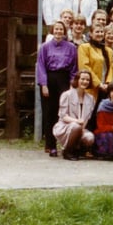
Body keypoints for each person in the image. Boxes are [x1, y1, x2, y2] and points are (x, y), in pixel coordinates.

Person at [37, 20, 78, 157]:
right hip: (49, 79)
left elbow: (74, 67)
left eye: (61, 29)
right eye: (56, 29)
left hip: (64, 79)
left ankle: (66, 143)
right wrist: (44, 85)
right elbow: (41, 66)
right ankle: (50, 145)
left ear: (65, 32)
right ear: (52, 31)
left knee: (65, 112)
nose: (59, 32)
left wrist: (72, 84)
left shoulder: (71, 47)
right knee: (50, 112)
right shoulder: (45, 47)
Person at [53, 70, 96, 160]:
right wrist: (77, 121)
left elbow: (87, 119)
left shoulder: (91, 98)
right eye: (82, 79)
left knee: (90, 138)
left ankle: (77, 149)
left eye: (87, 80)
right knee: (76, 126)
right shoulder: (66, 95)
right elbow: (63, 116)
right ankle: (67, 152)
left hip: (80, 127)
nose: (85, 81)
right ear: (77, 80)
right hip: (65, 126)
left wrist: (82, 129)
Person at [77, 23, 113, 100]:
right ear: (90, 33)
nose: (100, 34)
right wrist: (98, 84)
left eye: (101, 32)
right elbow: (85, 67)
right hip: (90, 87)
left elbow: (112, 68)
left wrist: (108, 83)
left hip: (106, 88)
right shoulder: (84, 47)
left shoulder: (109, 50)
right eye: (97, 32)